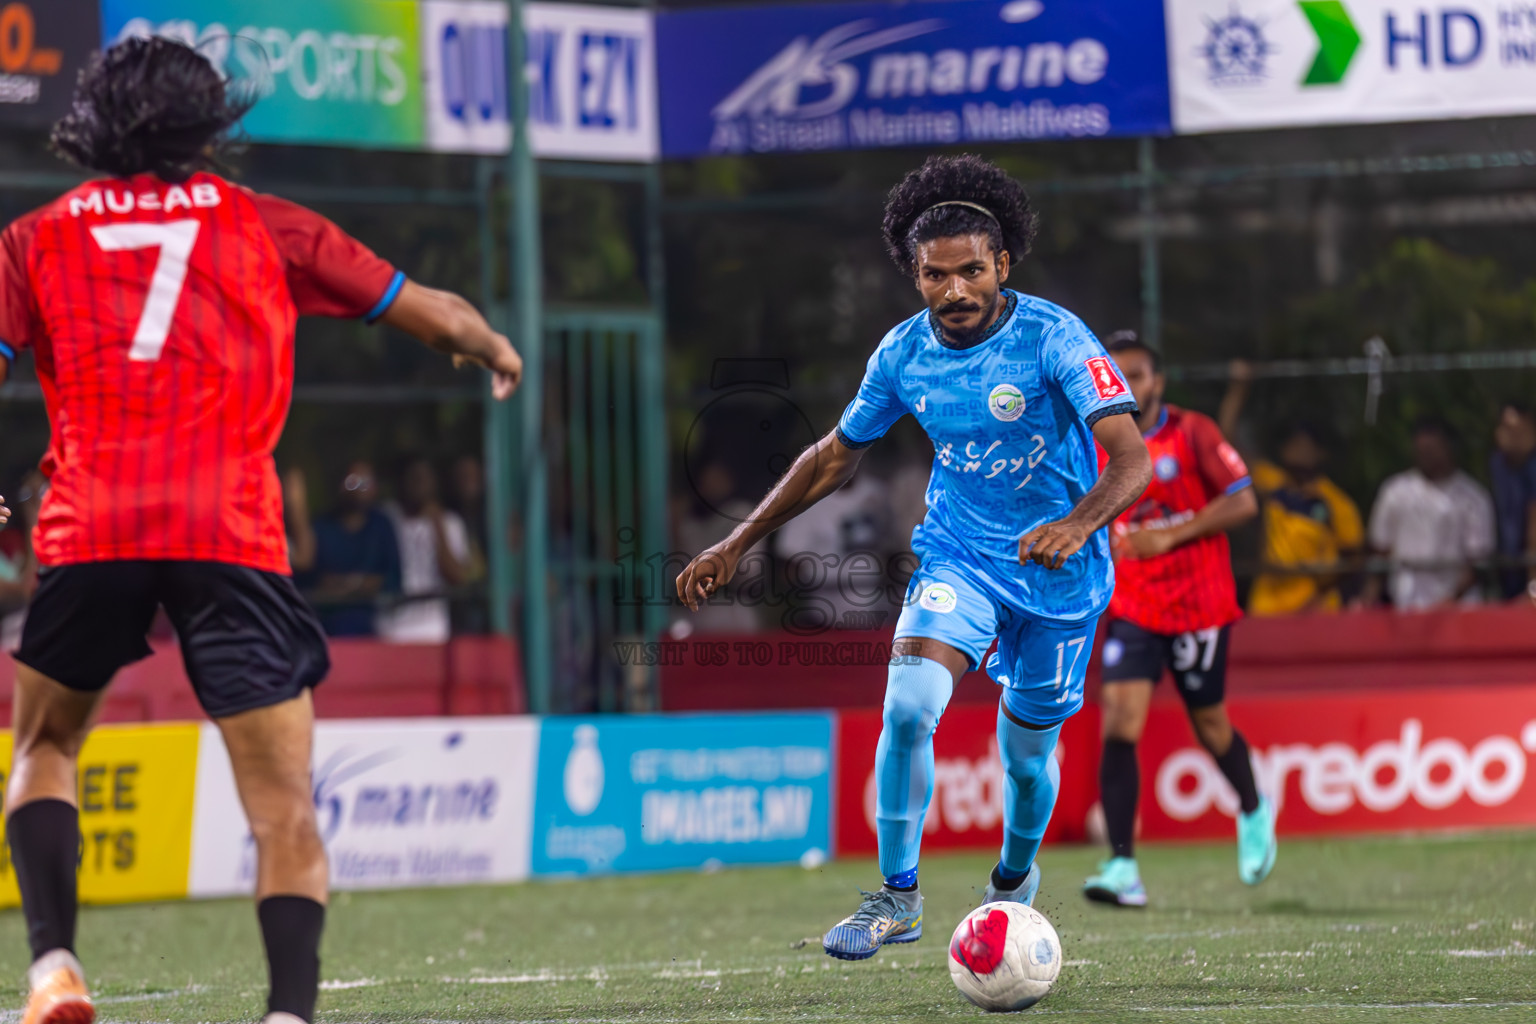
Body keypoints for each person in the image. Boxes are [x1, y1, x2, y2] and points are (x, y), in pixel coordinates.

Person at [0, 37, 521, 1024]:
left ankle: (55, 969)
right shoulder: (265, 225)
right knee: (282, 802)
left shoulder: (32, 239)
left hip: (92, 519)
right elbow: (434, 314)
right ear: (210, 123)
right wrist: (491, 344)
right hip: (228, 525)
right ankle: (286, 1015)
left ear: (96, 124)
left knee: (45, 744)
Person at [675, 155, 1152, 960]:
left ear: (1002, 264)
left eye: (972, 271)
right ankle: (896, 896)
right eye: (936, 275)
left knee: (1028, 759)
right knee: (905, 707)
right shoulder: (901, 354)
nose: (956, 290)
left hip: (1060, 578)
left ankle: (1013, 880)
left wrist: (1077, 522)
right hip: (959, 559)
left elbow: (1130, 459)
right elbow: (833, 456)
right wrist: (737, 539)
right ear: (913, 273)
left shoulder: (1055, 338)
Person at [1082, 333, 1274, 909]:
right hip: (1134, 607)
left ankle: (1252, 807)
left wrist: (1171, 534)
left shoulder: (1194, 432)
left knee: (1210, 725)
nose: (1130, 385)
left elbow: (1243, 500)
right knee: (1119, 722)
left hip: (1200, 606)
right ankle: (1122, 866)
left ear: (1157, 382)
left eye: (1139, 375)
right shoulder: (1093, 442)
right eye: (1119, 375)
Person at [1363, 416, 1494, 610]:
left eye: (1432, 450)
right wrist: (1366, 600)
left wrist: (1451, 600)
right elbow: (1380, 552)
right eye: (1421, 450)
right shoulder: (1395, 491)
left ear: (1449, 448)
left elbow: (1478, 561)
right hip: (1406, 606)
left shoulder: (1473, 497)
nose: (1426, 456)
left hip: (1458, 608)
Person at [1247, 421, 1364, 615]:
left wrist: (1320, 593)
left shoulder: (1337, 503)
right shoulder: (1272, 484)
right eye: (1293, 444)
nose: (1298, 450)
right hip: (1266, 607)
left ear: (1321, 453)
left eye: (1305, 444)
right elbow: (1229, 449)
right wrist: (1237, 393)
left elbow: (1353, 559)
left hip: (1315, 609)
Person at [287, 464, 402, 637]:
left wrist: (353, 585)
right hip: (327, 624)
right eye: (352, 482)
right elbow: (308, 576)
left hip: (377, 623)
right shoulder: (321, 526)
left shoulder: (382, 525)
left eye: (365, 483)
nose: (358, 489)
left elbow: (392, 578)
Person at [378, 457, 474, 644]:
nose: (418, 484)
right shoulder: (386, 518)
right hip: (389, 627)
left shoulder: (450, 523)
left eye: (424, 478)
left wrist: (438, 527)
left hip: (432, 628)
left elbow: (457, 577)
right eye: (413, 478)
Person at [1490, 401, 1536, 603]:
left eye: (1519, 430)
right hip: (1507, 570)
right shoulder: (1497, 464)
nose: (1511, 436)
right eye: (1505, 428)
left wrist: (1533, 587)